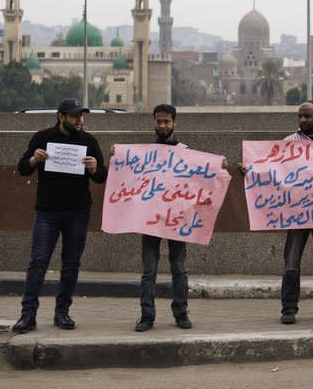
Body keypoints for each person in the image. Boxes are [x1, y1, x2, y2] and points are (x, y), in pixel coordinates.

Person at [239, 100, 313, 325]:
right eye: (300, 116)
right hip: (297, 212)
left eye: (307, 116)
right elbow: (272, 168)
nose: (302, 120)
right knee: (292, 263)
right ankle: (289, 309)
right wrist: (252, 171)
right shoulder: (288, 143)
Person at [11, 98, 108, 333]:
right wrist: (34, 159)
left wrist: (95, 168)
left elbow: (102, 176)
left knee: (71, 264)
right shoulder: (42, 137)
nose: (79, 121)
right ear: (61, 117)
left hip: (78, 211)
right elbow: (23, 168)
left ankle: (62, 312)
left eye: (81, 116)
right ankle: (28, 315)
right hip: (47, 211)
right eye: (74, 116)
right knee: (38, 262)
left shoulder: (88, 141)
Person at [131, 104, 192, 331]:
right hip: (151, 219)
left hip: (177, 219)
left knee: (179, 267)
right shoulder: (144, 152)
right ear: (154, 123)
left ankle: (181, 314)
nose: (163, 125)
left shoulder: (186, 150)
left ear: (175, 123)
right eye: (159, 121)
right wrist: (119, 159)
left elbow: (200, 179)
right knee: (149, 270)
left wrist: (219, 167)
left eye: (167, 121)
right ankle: (147, 316)